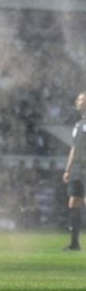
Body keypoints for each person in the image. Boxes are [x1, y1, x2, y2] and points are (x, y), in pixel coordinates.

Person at [61, 91, 86, 251]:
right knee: (74, 202)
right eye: (78, 99)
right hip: (76, 168)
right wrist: (68, 168)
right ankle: (74, 243)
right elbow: (74, 147)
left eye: (82, 99)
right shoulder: (78, 124)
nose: (78, 101)